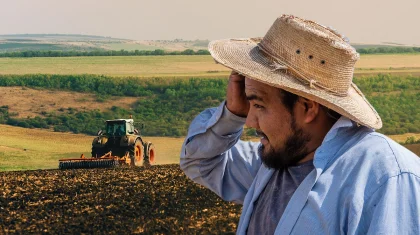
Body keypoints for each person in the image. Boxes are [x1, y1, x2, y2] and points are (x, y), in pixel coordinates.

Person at [180, 15, 420, 234]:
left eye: (260, 105)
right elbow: (200, 161)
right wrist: (232, 114)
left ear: (307, 107)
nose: (250, 121)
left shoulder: (386, 179)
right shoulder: (275, 159)